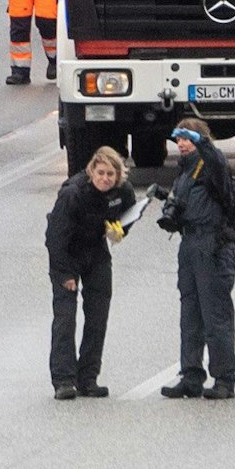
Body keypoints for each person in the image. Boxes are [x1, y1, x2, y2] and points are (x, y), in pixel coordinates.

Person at [43, 146, 136, 400]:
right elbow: (55, 237)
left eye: (110, 175)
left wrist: (120, 231)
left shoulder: (122, 192)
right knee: (66, 318)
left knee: (97, 317)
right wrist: (64, 275)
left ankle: (88, 379)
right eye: (101, 173)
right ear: (92, 171)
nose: (105, 179)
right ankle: (63, 380)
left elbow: (130, 214)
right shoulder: (73, 194)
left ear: (118, 177)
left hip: (96, 252)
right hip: (68, 253)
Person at [157, 118, 235, 400]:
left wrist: (202, 142)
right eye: (178, 139)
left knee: (215, 316)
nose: (181, 144)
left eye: (187, 138)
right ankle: (191, 375)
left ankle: (224, 379)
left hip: (212, 245)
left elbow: (217, 162)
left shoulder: (212, 167)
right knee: (190, 315)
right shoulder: (185, 172)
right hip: (190, 244)